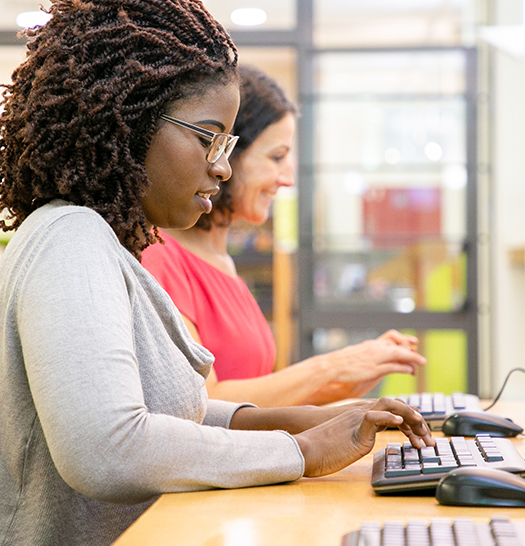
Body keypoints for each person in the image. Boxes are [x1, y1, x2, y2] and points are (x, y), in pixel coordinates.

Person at [0, 0, 433, 545]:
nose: (221, 169)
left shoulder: (109, 246)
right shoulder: (69, 239)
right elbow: (106, 449)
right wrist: (296, 452)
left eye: (226, 146)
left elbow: (175, 419)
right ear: (126, 122)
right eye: (208, 139)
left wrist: (314, 421)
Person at [141, 65, 426, 407]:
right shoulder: (159, 257)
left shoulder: (223, 263)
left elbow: (257, 402)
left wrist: (350, 381)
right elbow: (203, 403)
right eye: (276, 157)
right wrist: (332, 371)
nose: (288, 178)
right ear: (226, 154)